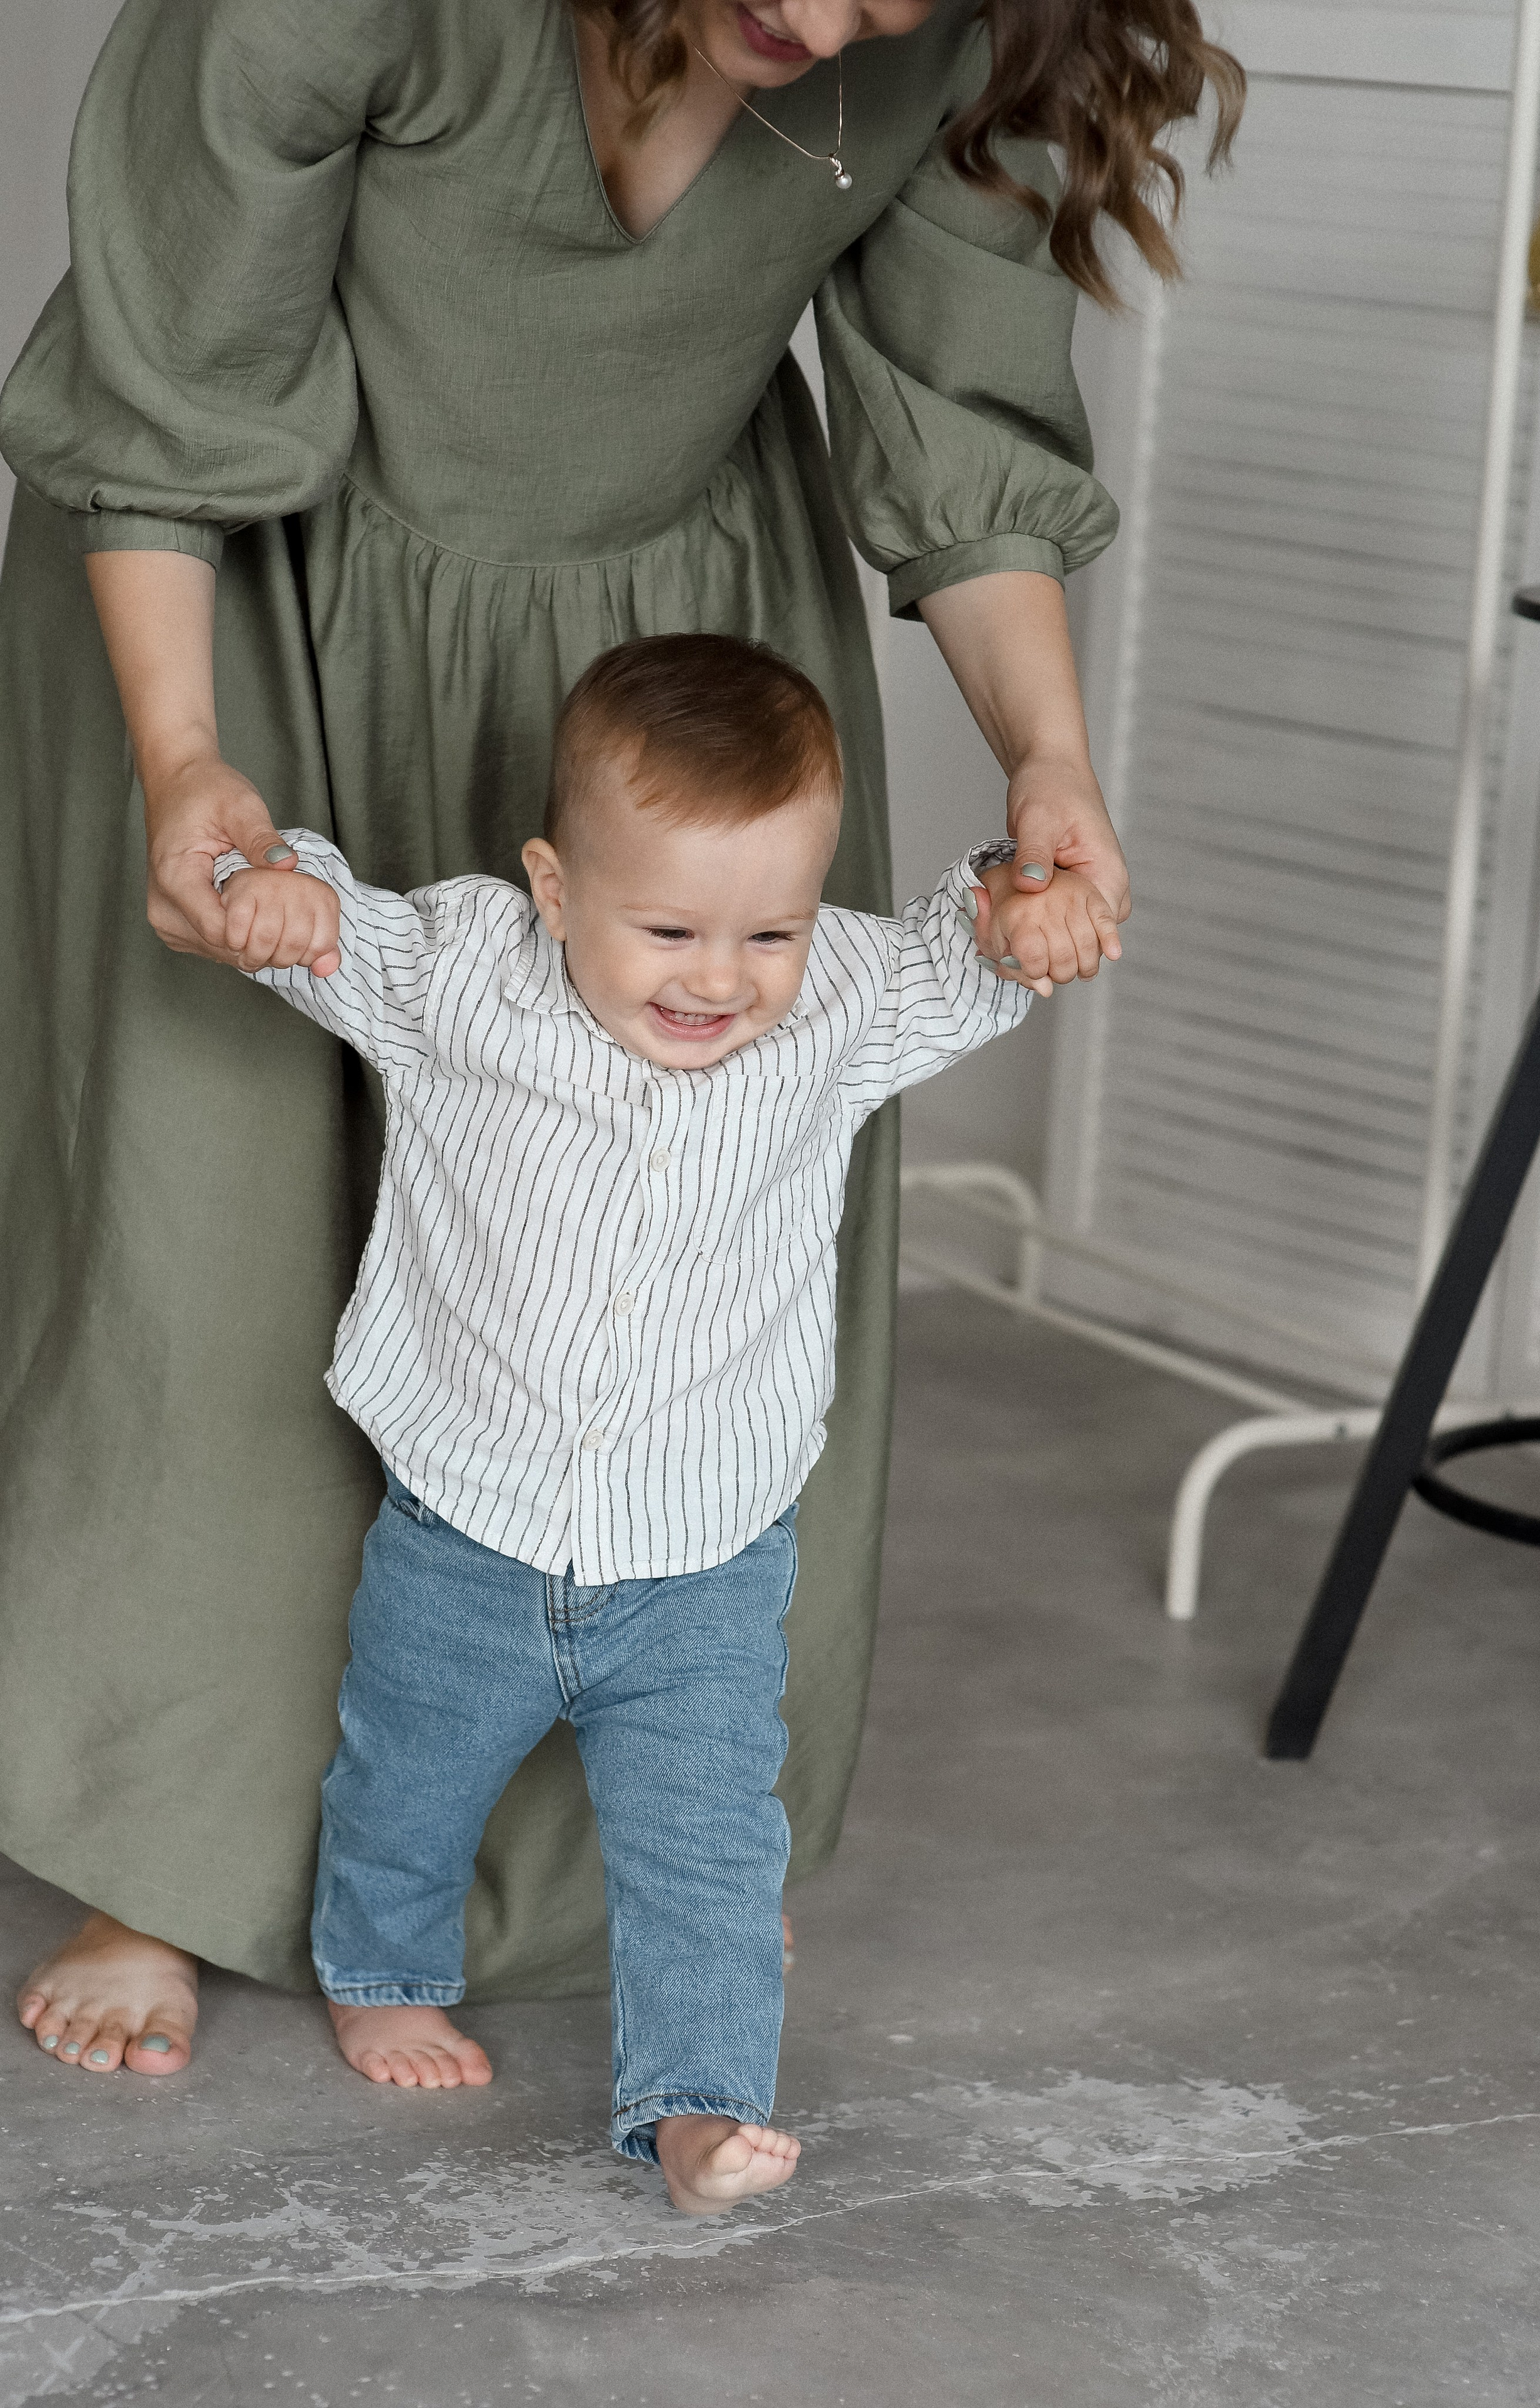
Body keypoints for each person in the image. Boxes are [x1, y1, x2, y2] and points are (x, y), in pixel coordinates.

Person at [1, 0, 1241, 2075]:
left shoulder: (951, 50)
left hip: (671, 648)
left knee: (655, 1231)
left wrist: (1054, 762)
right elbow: (170, 371)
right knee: (214, 1222)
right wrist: (186, 758)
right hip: (245, 606)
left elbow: (962, 416)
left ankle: (572, 1851)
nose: (837, 19)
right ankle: (168, 1844)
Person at [190, 632, 1112, 2205]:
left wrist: (1024, 904)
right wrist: (271, 890)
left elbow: (967, 957)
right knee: (404, 1769)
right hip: (465, 1518)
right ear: (554, 891)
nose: (719, 976)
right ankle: (380, 1965)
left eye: (769, 929)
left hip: (701, 1549)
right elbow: (323, 925)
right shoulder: (470, 970)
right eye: (669, 927)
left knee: (707, 1848)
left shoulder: (835, 1005)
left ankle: (693, 2105)